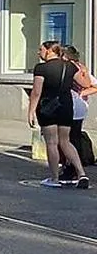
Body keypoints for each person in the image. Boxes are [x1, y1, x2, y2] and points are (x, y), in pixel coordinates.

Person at [29, 41, 92, 188]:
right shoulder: (69, 66)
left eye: (41, 50)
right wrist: (84, 71)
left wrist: (31, 111)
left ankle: (54, 178)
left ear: (50, 51)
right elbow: (85, 84)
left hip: (48, 107)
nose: (39, 53)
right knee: (65, 141)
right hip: (66, 106)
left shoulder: (41, 68)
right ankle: (81, 174)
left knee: (52, 142)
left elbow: (36, 92)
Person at [60, 45, 95, 188]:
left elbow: (92, 85)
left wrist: (80, 94)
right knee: (70, 137)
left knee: (70, 138)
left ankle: (73, 168)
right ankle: (72, 167)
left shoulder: (77, 68)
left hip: (75, 106)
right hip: (74, 106)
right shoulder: (76, 67)